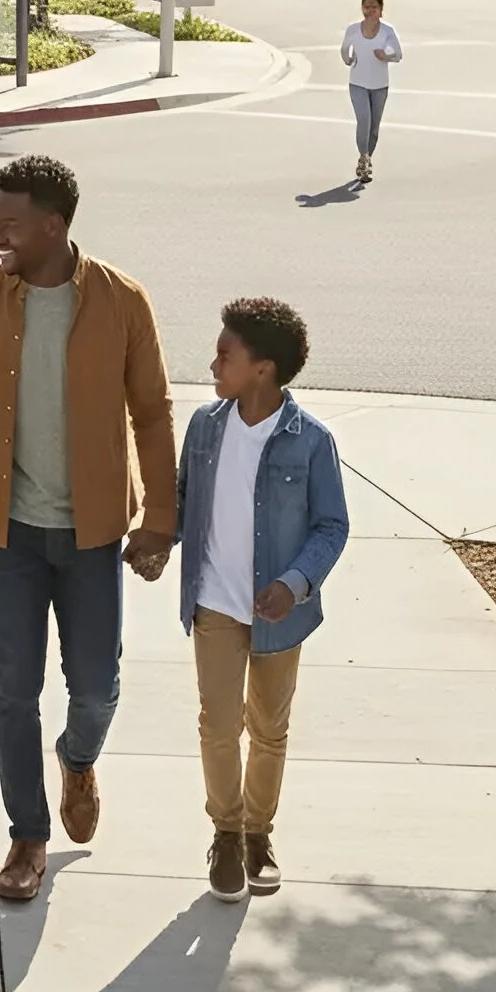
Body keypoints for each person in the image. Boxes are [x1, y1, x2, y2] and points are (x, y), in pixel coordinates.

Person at [0, 154, 177, 905]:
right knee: (14, 690)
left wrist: (160, 518)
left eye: (9, 222)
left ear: (52, 226)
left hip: (94, 533)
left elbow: (154, 413)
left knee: (96, 688)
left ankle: (77, 757)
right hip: (9, 534)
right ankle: (28, 836)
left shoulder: (122, 300)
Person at [176, 298, 349, 904]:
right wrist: (149, 543)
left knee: (269, 728)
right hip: (215, 603)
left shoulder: (311, 443)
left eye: (226, 354)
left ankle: (257, 834)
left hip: (281, 611)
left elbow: (332, 526)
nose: (213, 363)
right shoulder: (204, 426)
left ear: (263, 369)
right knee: (218, 724)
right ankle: (225, 832)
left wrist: (294, 582)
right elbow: (181, 505)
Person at [339, 0, 402, 183]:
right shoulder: (353, 29)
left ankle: (367, 159)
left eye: (374, 8)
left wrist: (386, 56)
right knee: (364, 121)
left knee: (374, 128)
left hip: (380, 85)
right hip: (357, 83)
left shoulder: (387, 31)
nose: (370, 11)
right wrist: (348, 59)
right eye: (366, 7)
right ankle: (363, 158)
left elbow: (398, 55)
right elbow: (344, 49)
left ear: (381, 10)